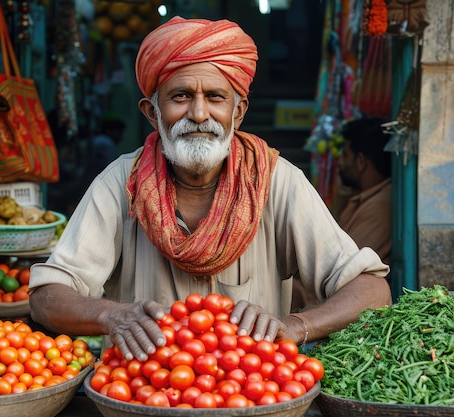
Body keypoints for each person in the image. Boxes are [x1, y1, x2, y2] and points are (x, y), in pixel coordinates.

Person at [28, 16, 391, 362]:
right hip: (145, 390)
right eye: (181, 96)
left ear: (238, 111)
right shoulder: (121, 182)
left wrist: (298, 325)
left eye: (216, 97)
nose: (199, 113)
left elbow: (372, 290)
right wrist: (112, 316)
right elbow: (47, 296)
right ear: (152, 113)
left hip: (249, 388)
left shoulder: (277, 181)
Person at [336, 117, 392, 267]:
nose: (340, 161)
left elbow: (342, 269)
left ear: (361, 162)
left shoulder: (378, 208)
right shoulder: (363, 198)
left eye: (345, 155)